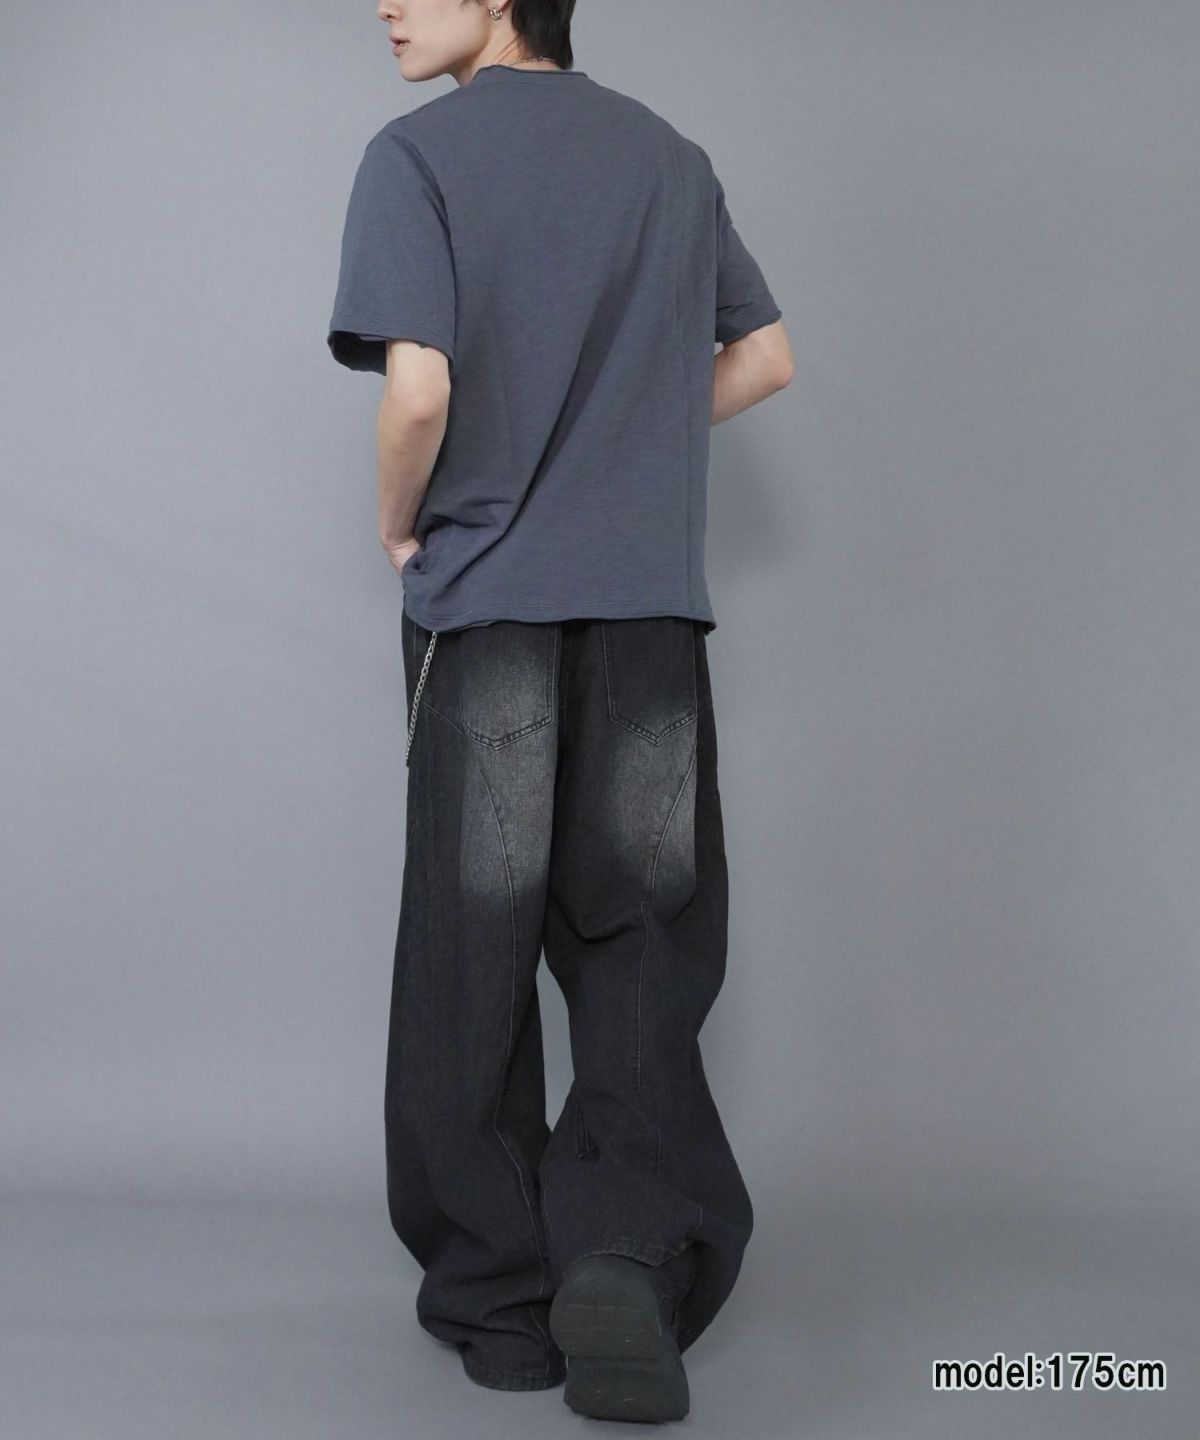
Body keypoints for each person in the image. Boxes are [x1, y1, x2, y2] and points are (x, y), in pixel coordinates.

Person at [327, 0, 793, 1423]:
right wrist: (625, 442)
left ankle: (501, 1301)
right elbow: (766, 356)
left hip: (491, 616)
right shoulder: (670, 159)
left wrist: (398, 524)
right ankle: (626, 1258)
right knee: (642, 938)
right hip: (648, 616)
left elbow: (419, 391)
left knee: (474, 947)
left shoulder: (419, 158)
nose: (384, 3)